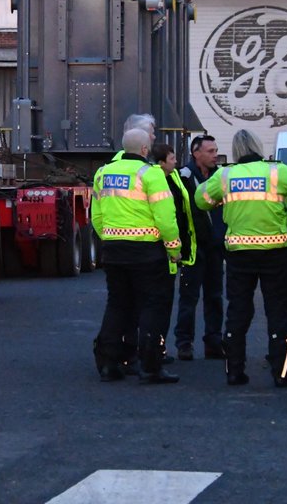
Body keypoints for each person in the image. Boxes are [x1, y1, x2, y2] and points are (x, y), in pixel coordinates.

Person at [195, 129, 287, 388]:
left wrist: (220, 202)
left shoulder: (226, 175)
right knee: (278, 311)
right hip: (276, 251)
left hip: (239, 253)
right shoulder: (278, 172)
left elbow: (201, 200)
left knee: (238, 312)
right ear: (258, 146)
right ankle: (281, 373)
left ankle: (234, 371)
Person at [91, 128, 182, 384]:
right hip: (147, 252)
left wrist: (109, 237)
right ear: (144, 150)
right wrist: (174, 249)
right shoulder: (150, 174)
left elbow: (96, 216)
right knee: (153, 307)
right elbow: (166, 217)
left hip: (114, 250)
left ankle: (109, 364)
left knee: (117, 304)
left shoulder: (103, 173)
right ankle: (150, 366)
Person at [174, 134, 226, 362]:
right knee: (189, 297)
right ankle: (184, 343)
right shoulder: (183, 177)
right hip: (193, 249)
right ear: (196, 153)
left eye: (216, 150)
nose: (215, 155)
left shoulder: (220, 177)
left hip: (215, 247)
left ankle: (213, 342)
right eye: (210, 151)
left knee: (215, 296)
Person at [152, 142, 197, 269]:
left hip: (177, 237)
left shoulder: (175, 177)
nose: (175, 161)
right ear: (161, 163)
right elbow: (165, 218)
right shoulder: (157, 183)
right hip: (162, 243)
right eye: (172, 159)